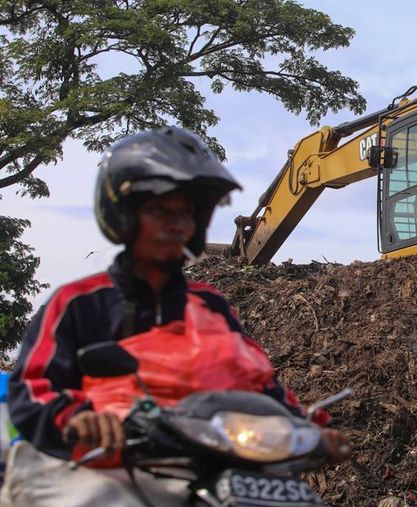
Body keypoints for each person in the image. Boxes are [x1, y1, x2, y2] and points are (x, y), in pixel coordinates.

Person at [1, 126, 350, 506]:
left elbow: (256, 380)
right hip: (101, 464)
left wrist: (306, 426)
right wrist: (74, 419)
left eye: (186, 213)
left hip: (212, 464)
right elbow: (33, 388)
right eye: (158, 211)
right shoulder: (79, 304)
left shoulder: (211, 306)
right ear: (123, 215)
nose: (177, 224)